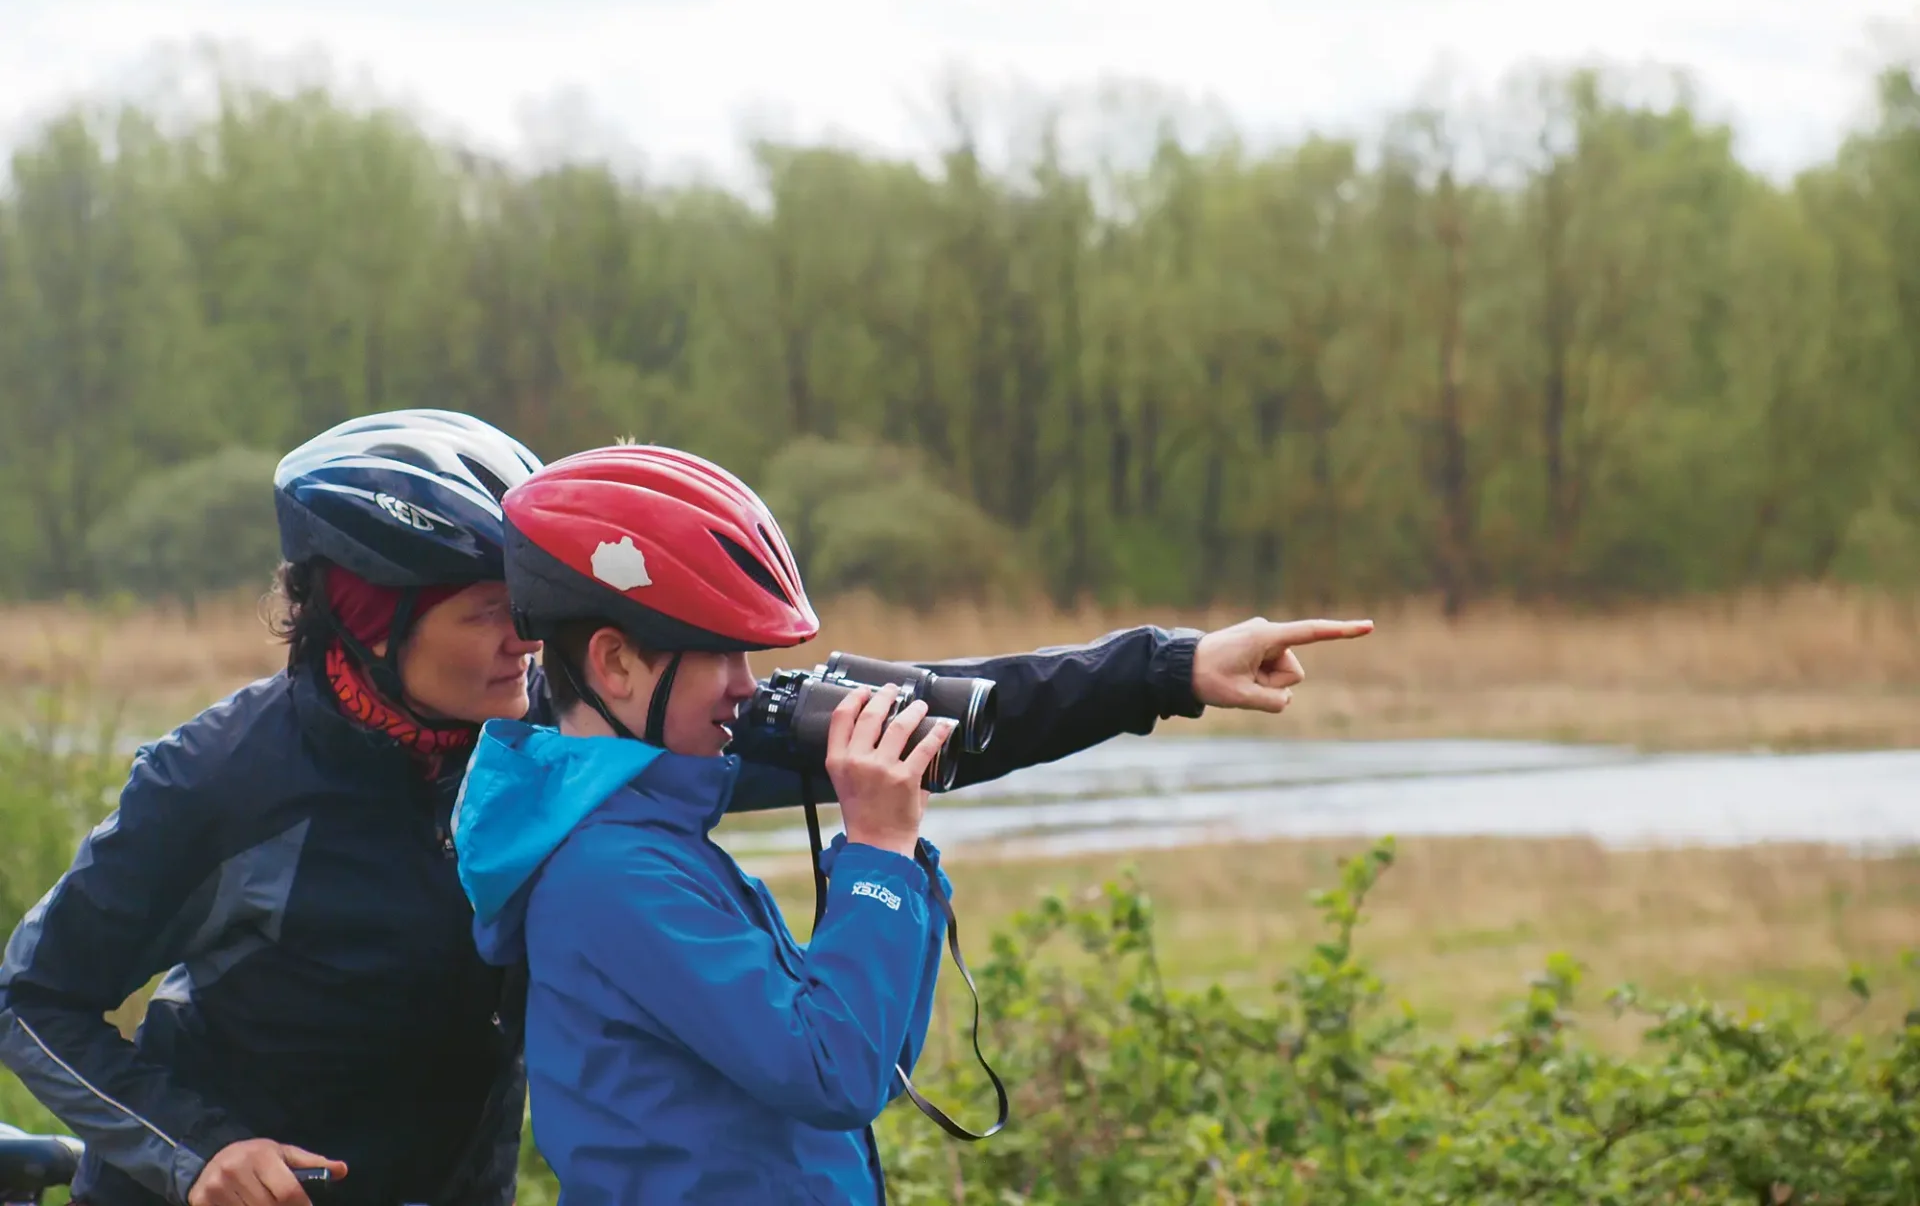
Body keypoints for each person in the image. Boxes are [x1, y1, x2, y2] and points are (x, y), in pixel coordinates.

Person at [0, 408, 1370, 1206]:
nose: (521, 647)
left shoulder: (573, 740)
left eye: (533, 615)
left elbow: (888, 720)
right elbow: (35, 997)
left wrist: (1166, 670)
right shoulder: (223, 781)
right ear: (366, 621)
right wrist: (196, 1152)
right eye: (486, 618)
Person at [452, 444, 954, 1203]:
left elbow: (872, 1060)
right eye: (721, 654)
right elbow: (835, 1073)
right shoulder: (610, 876)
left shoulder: (659, 847)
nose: (746, 688)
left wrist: (902, 865)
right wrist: (878, 854)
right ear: (616, 664)